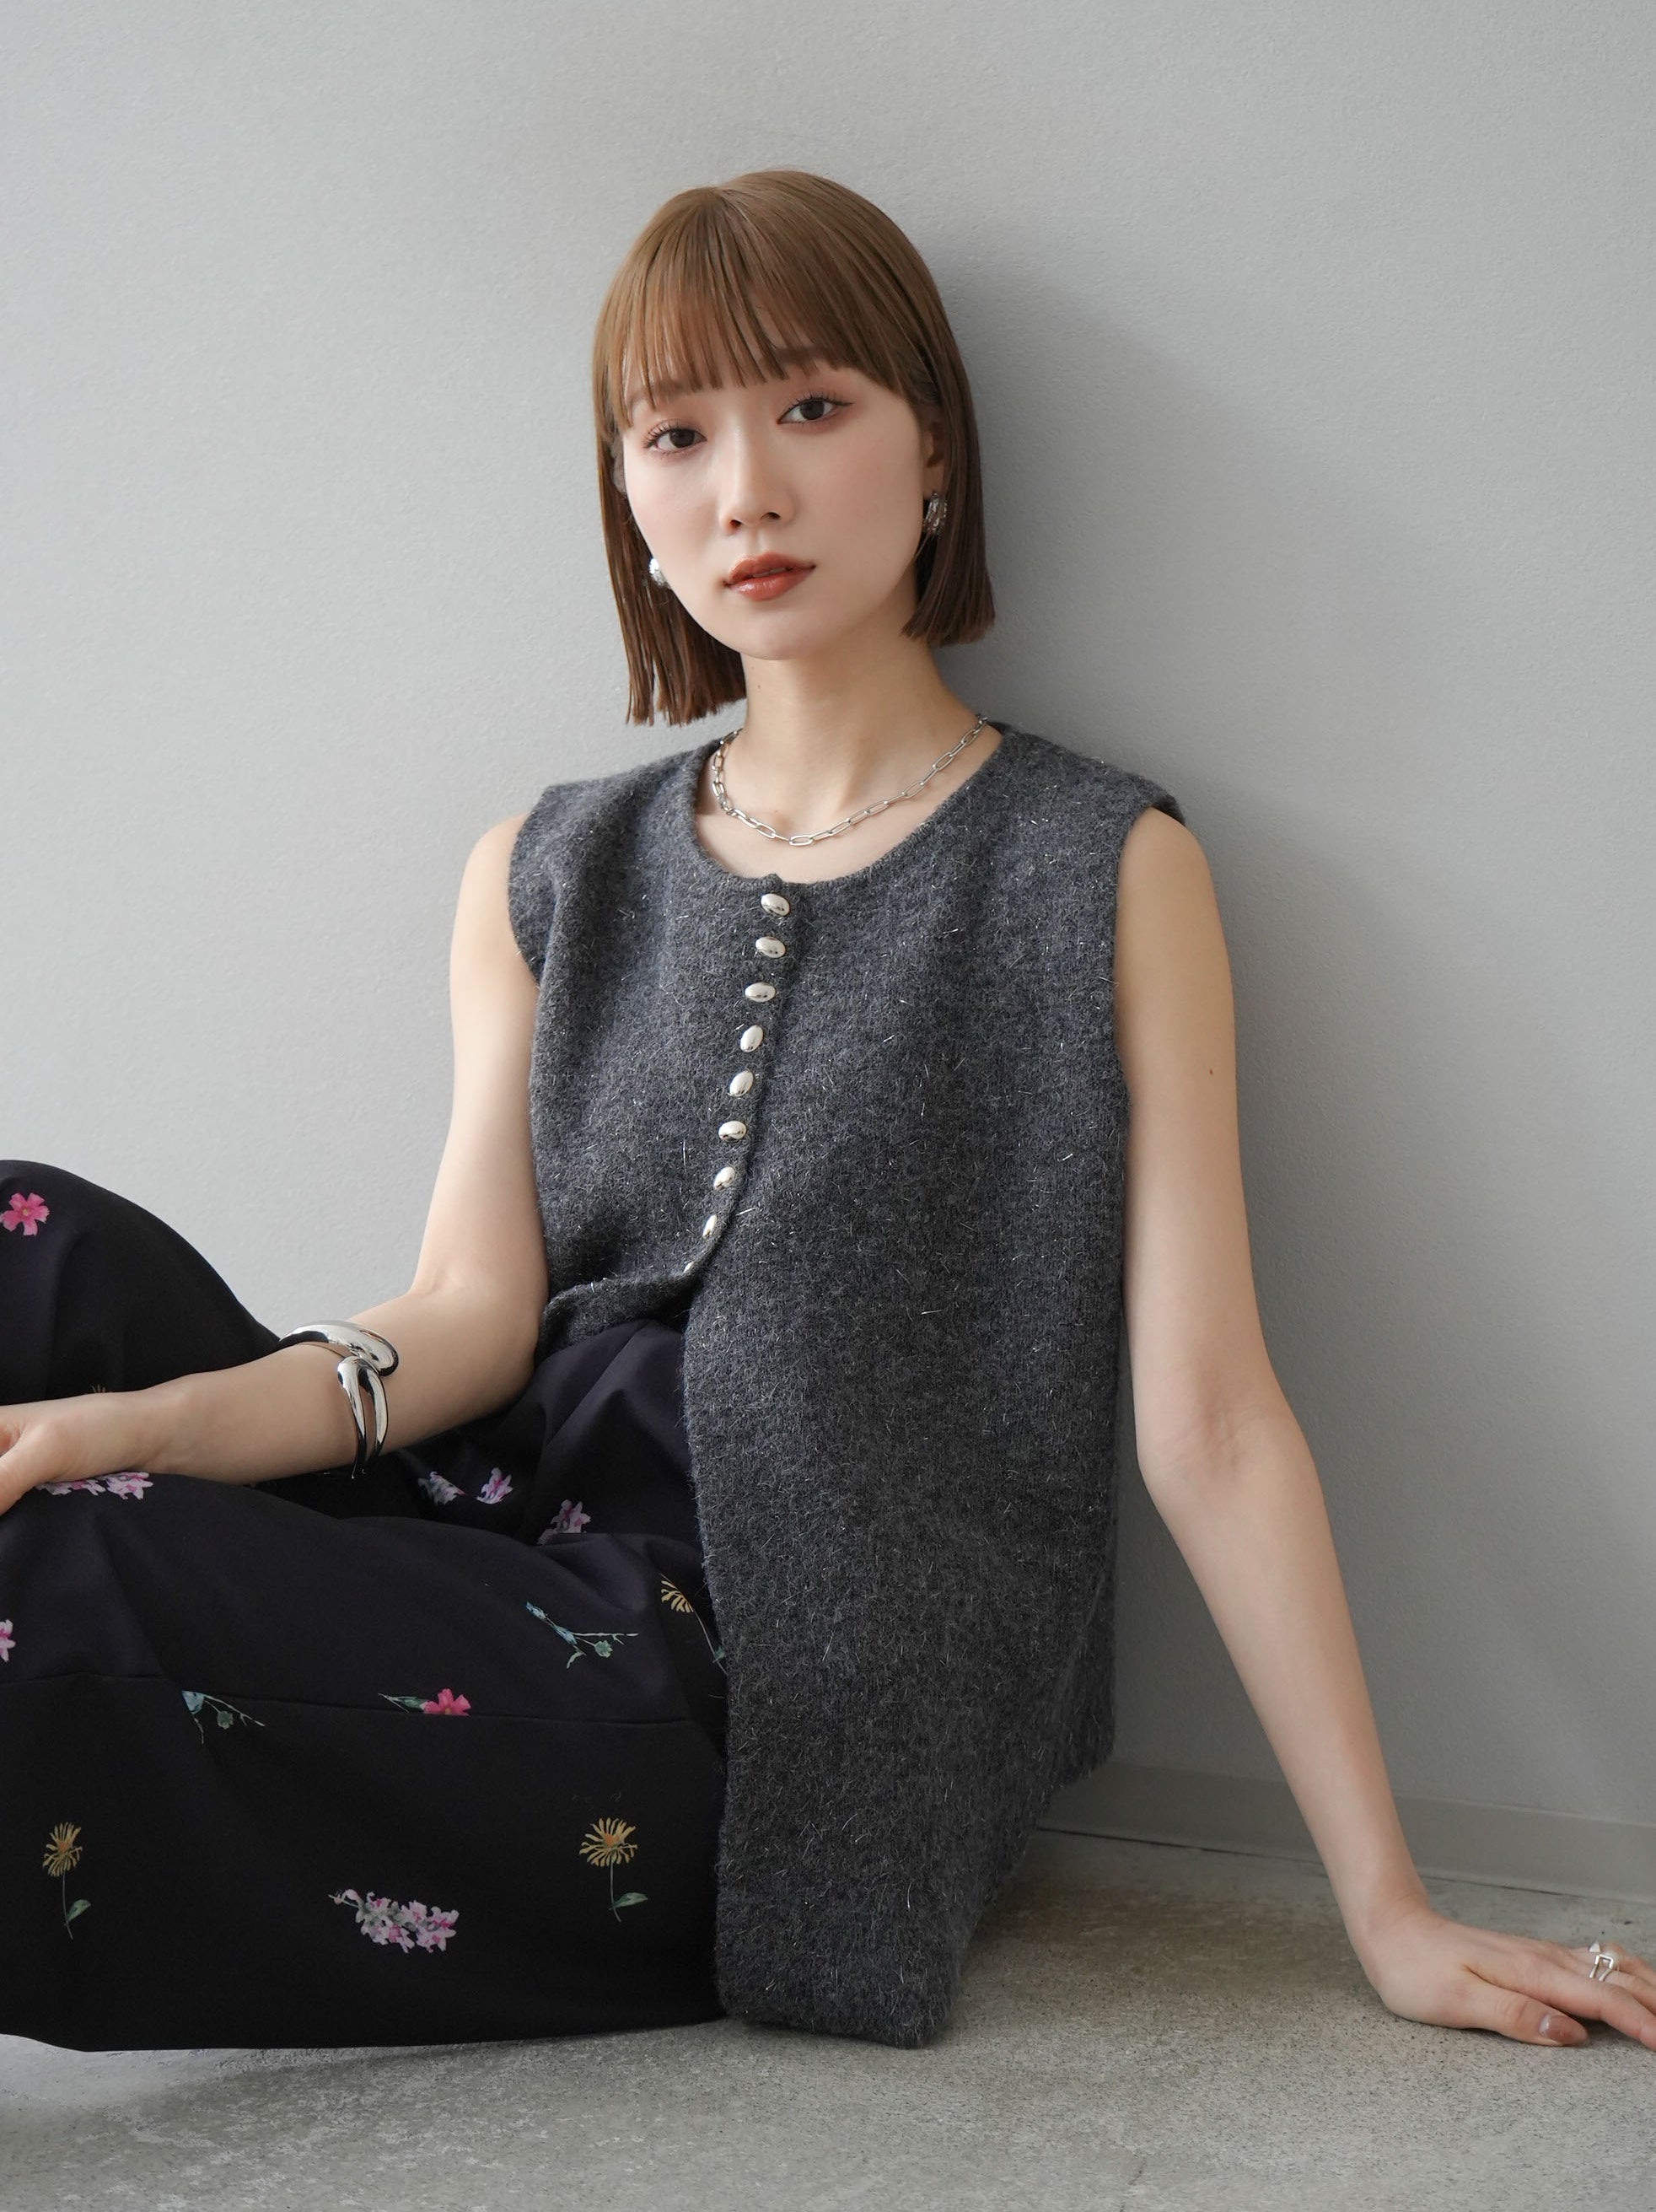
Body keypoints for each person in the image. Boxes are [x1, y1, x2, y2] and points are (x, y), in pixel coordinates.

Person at [3, 169, 1651, 2059]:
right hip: (492, 1531)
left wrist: (1388, 1904)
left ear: (931, 447)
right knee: (29, 1238)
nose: (747, 492)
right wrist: (147, 1426)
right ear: (626, 497)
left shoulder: (1096, 868)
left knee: (58, 1580)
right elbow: (466, 1316)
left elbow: (1207, 1420)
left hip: (758, 1703)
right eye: (675, 435)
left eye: (810, 406)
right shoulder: (548, 865)